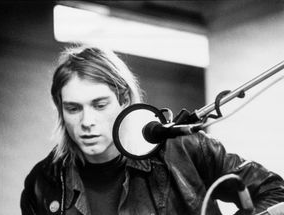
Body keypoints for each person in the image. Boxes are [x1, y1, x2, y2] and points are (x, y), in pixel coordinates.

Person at [20, 43, 284, 215]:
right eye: (74, 108)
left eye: (99, 105)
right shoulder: (44, 183)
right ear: (60, 108)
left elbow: (275, 190)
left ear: (124, 99)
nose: (87, 121)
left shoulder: (184, 149)